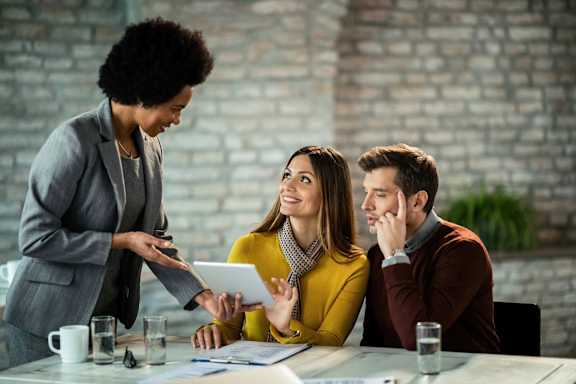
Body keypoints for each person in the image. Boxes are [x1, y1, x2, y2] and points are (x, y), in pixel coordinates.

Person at [5, 18, 247, 367]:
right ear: (147, 92)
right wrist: (120, 241)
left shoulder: (151, 148)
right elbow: (34, 238)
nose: (177, 120)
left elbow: (155, 238)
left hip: (102, 322)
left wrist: (204, 296)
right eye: (175, 108)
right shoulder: (74, 140)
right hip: (44, 322)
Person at [192, 146, 369, 348]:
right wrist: (213, 331)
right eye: (287, 175)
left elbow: (332, 340)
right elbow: (228, 327)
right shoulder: (248, 247)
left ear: (330, 192)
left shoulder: (353, 265)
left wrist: (286, 327)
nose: (287, 186)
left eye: (304, 179)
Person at [358, 144, 500, 353]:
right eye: (366, 192)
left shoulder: (463, 250)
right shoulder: (378, 253)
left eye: (379, 194)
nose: (365, 205)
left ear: (417, 201)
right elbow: (374, 342)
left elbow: (418, 340)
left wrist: (395, 257)